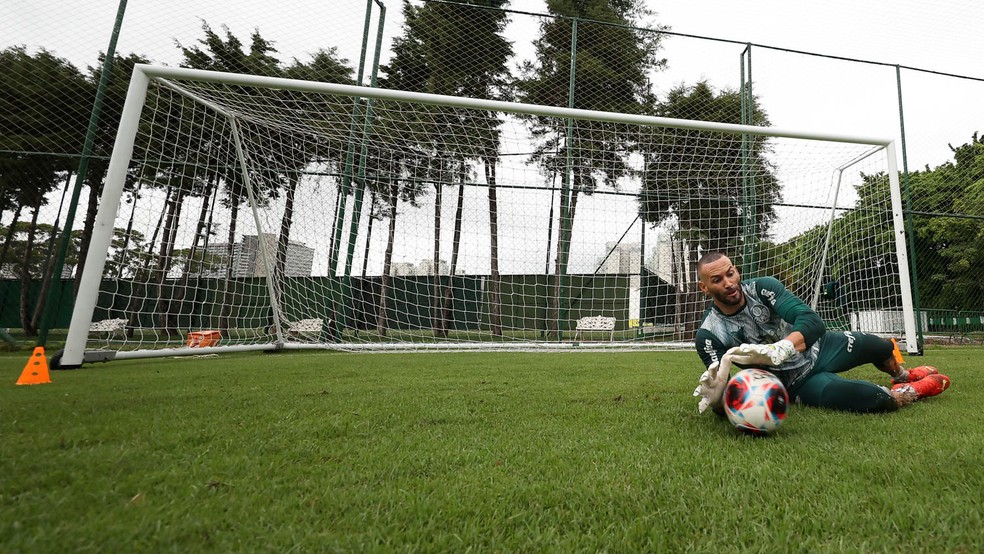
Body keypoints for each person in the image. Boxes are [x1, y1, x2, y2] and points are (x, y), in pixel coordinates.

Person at [691, 251, 950, 416]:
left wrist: (783, 347)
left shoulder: (762, 289)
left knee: (882, 347)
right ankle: (915, 390)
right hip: (794, 382)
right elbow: (725, 394)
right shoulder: (709, 335)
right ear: (704, 287)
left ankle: (902, 375)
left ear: (736, 270)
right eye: (718, 280)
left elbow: (812, 322)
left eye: (731, 273)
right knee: (875, 400)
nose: (729, 282)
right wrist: (717, 401)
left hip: (821, 347)